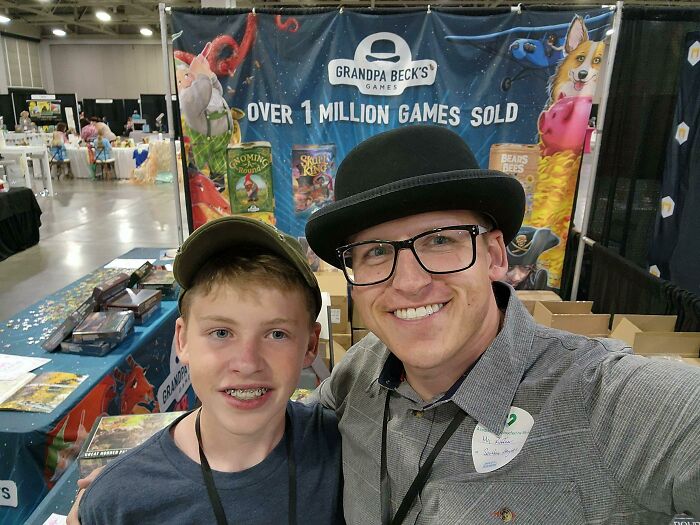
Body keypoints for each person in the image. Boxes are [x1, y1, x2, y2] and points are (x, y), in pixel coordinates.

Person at [302, 125, 700, 524]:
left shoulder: (604, 401)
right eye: (375, 251)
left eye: (440, 241)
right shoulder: (361, 370)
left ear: (494, 255)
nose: (409, 282)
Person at [74, 216, 343, 524]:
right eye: (221, 333)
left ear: (310, 346)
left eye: (276, 334)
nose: (247, 363)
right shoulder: (118, 504)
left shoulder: (343, 447)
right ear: (182, 340)